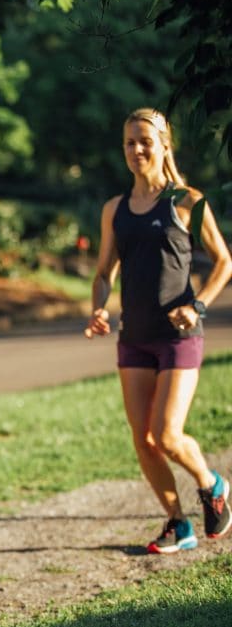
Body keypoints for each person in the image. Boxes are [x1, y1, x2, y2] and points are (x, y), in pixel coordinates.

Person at [85, 107, 232, 553]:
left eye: (145, 140)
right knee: (143, 440)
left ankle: (213, 485)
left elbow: (224, 261)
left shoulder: (186, 200)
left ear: (164, 144)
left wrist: (199, 306)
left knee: (167, 434)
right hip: (134, 336)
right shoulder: (115, 209)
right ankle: (177, 524)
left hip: (178, 337)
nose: (136, 149)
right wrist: (98, 308)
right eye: (129, 142)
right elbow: (103, 270)